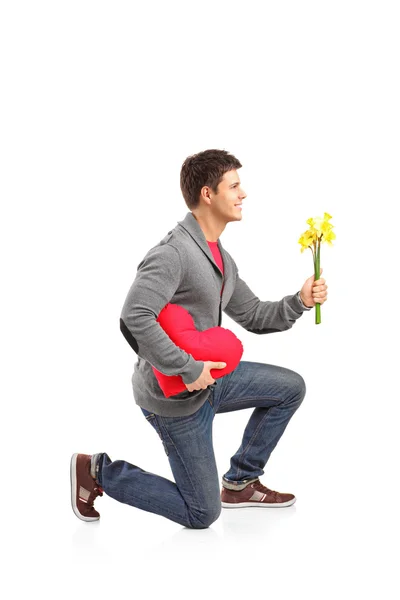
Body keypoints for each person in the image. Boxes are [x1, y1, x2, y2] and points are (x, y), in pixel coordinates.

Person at [70, 149, 328, 528]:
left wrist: (300, 301)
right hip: (173, 397)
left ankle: (240, 481)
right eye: (235, 186)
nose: (244, 194)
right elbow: (133, 316)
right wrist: (187, 368)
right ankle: (96, 471)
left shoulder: (220, 257)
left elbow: (254, 315)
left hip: (209, 380)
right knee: (202, 513)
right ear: (208, 194)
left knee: (290, 387)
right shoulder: (173, 252)